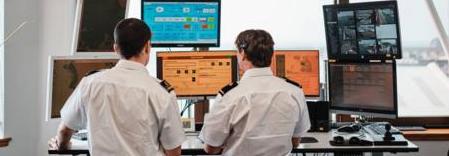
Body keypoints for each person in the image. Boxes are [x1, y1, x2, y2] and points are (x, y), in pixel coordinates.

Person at [48, 18, 185, 156]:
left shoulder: (90, 83)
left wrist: (61, 146)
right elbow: (174, 152)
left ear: (115, 48)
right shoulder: (162, 93)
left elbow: (64, 131)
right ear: (147, 47)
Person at [199, 29, 311, 156]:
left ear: (243, 54)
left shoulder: (230, 95)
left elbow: (211, 149)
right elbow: (295, 142)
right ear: (271, 55)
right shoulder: (294, 91)